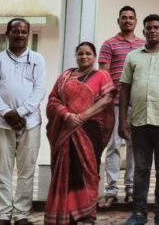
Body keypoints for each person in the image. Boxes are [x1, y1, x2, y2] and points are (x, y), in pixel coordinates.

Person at [119, 14, 159, 225]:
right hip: (139, 122)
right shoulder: (133, 57)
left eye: (156, 27)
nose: (153, 31)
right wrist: (122, 120)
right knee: (140, 170)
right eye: (149, 28)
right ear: (144, 31)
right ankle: (139, 213)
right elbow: (124, 89)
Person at [44, 42, 116, 225]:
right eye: (81, 53)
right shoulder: (65, 76)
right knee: (67, 171)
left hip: (90, 130)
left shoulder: (102, 75)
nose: (84, 57)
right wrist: (66, 115)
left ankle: (87, 215)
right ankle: (67, 214)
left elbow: (107, 100)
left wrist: (82, 116)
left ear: (94, 57)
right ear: (76, 56)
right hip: (66, 129)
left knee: (88, 172)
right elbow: (53, 100)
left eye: (88, 54)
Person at [0, 18, 47, 225]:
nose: (20, 35)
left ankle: (21, 214)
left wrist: (20, 113)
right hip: (2, 123)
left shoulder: (37, 59)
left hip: (30, 123)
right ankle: (3, 214)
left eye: (24, 32)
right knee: (3, 170)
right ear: (7, 34)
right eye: (15, 31)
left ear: (28, 34)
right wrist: (7, 113)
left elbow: (39, 91)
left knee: (26, 170)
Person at [99, 6, 145, 208]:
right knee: (113, 146)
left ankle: (131, 189)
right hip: (115, 104)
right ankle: (111, 190)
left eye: (131, 18)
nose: (127, 20)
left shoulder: (143, 45)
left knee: (135, 146)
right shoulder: (109, 44)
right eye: (124, 18)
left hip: (138, 104)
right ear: (118, 21)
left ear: (136, 21)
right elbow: (103, 76)